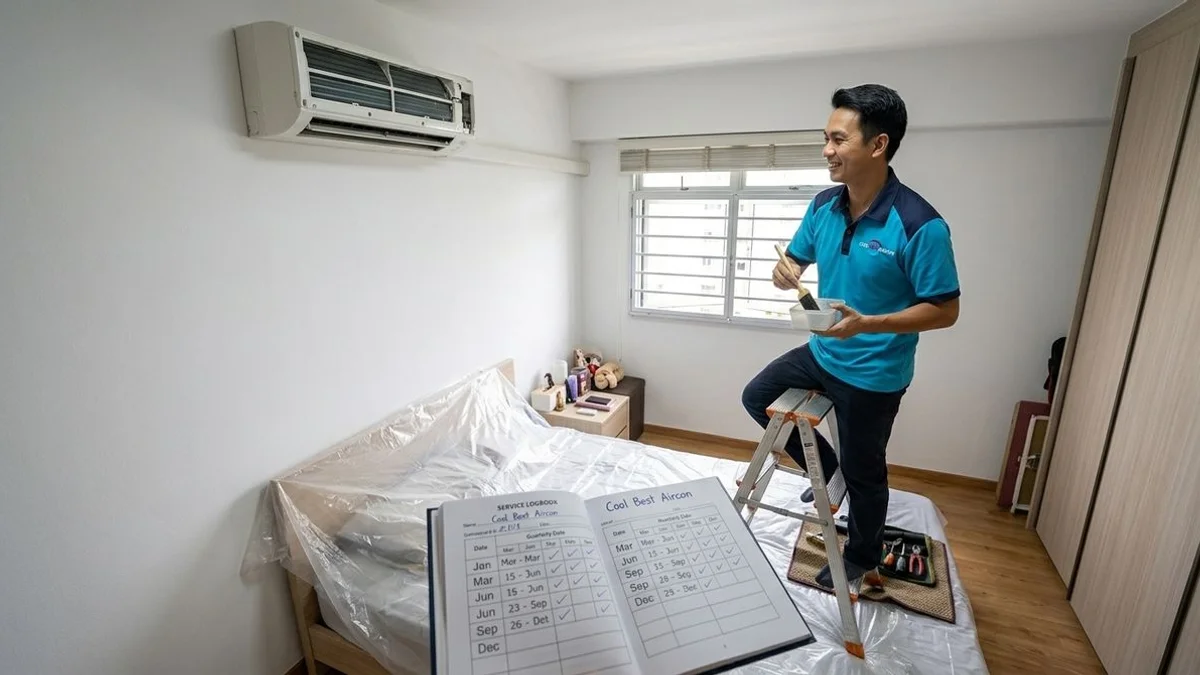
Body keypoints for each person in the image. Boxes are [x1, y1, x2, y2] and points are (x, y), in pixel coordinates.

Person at [741, 84, 961, 588]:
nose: (826, 150)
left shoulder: (920, 225)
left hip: (876, 371)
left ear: (877, 145)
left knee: (868, 477)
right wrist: (786, 269)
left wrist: (869, 324)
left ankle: (862, 555)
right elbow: (797, 256)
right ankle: (830, 468)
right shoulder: (824, 205)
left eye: (838, 140)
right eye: (826, 138)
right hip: (823, 352)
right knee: (756, 397)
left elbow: (945, 310)